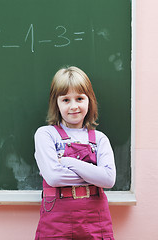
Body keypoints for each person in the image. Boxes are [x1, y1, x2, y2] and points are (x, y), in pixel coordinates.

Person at [34, 66, 116, 239]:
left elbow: (108, 179)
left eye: (79, 98)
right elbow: (54, 178)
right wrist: (94, 175)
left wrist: (68, 162)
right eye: (65, 100)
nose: (73, 106)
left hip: (96, 220)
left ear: (89, 101)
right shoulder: (46, 134)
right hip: (56, 221)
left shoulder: (100, 139)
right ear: (56, 102)